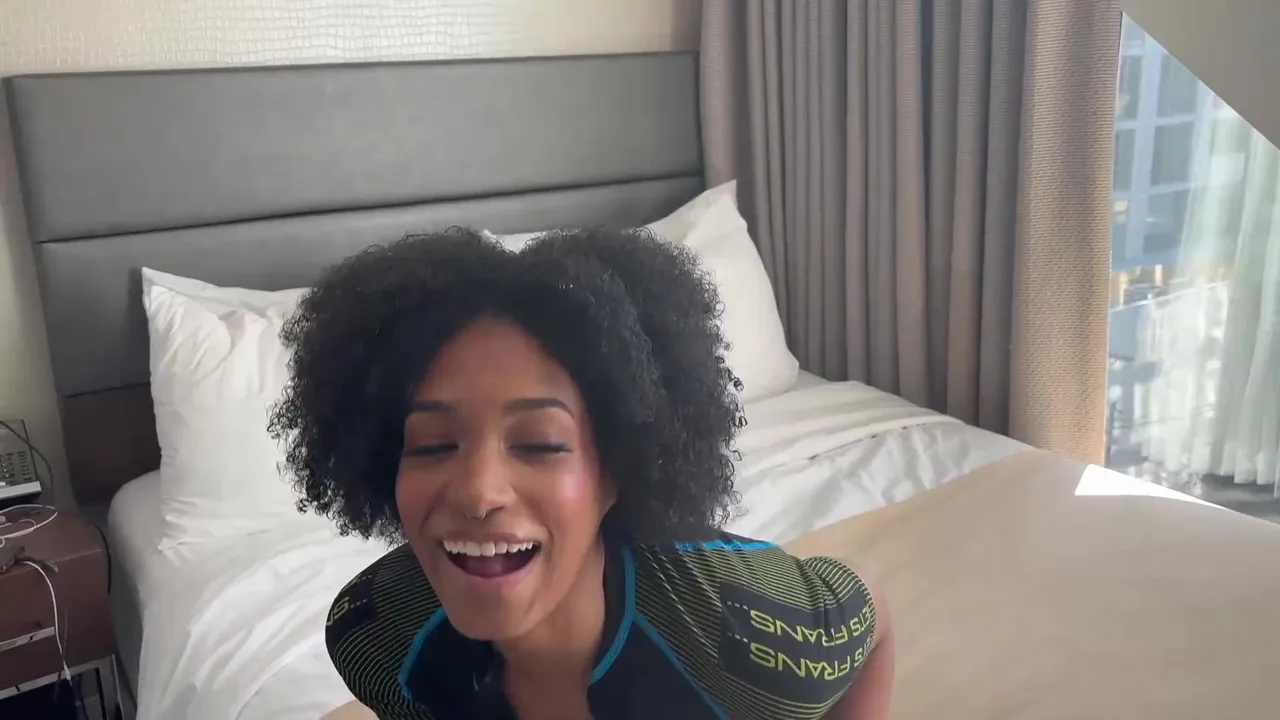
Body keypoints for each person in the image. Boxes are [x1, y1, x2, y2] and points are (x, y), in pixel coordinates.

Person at [270, 227, 894, 720]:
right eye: (432, 445)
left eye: (539, 444)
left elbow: (874, 620)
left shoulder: (747, 643)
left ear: (615, 469)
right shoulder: (375, 636)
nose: (479, 492)